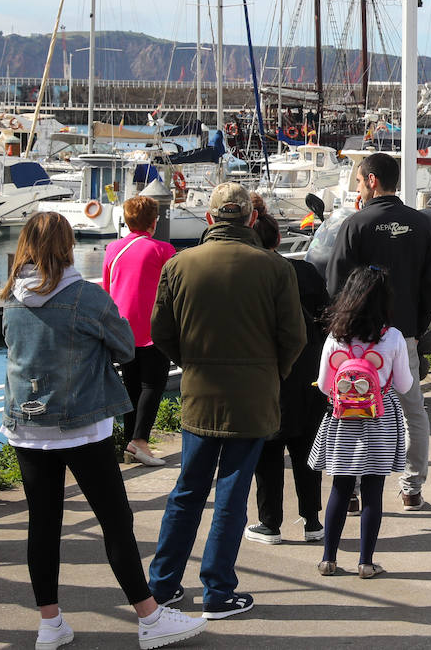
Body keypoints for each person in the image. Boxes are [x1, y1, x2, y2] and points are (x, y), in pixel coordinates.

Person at [1, 213, 204, 650]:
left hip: (28, 425)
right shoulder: (84, 297)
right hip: (82, 424)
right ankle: (149, 617)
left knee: (43, 522)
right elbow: (125, 345)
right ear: (67, 246)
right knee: (115, 520)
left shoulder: (11, 297)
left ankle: (50, 624)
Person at [147, 182, 307, 620]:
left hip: (200, 390)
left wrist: (191, 361)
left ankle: (160, 585)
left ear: (210, 219)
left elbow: (159, 330)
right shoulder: (276, 268)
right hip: (254, 396)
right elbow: (294, 337)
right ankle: (218, 591)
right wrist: (272, 373)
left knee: (187, 492)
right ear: (251, 218)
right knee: (233, 496)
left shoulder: (180, 265)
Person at [326, 152, 431, 510]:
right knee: (413, 412)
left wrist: (345, 324)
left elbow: (335, 282)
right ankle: (411, 487)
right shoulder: (420, 224)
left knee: (352, 408)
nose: (358, 188)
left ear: (372, 181)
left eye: (359, 181)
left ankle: (353, 490)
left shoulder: (356, 224)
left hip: (359, 339)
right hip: (403, 334)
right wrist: (418, 327)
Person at [310, 266, 413, 579]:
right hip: (379, 418)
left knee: (340, 488)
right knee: (373, 490)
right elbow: (406, 385)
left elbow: (326, 386)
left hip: (342, 422)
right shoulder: (392, 337)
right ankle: (366, 563)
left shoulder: (335, 338)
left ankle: (328, 559)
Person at [247, 198, 328, 546]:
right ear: (278, 239)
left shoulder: (252, 279)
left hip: (268, 374)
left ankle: (270, 522)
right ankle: (312, 520)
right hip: (309, 372)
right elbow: (327, 320)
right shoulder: (305, 273)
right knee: (306, 449)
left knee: (268, 451)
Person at [101, 196, 177, 468]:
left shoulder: (113, 248)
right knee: (153, 386)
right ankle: (140, 441)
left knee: (132, 386)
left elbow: (107, 288)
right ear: (154, 221)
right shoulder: (163, 250)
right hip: (153, 327)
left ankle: (131, 442)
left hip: (121, 327)